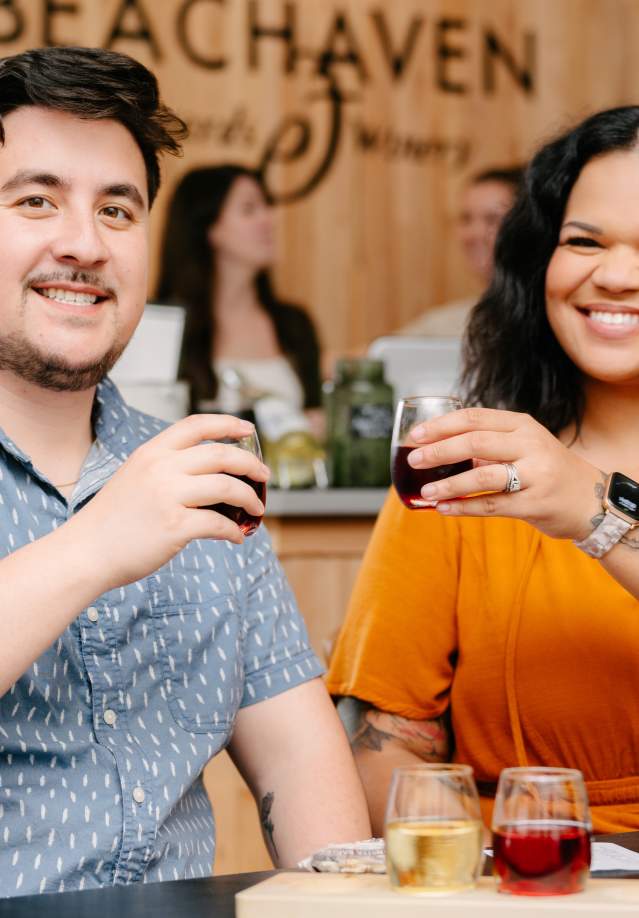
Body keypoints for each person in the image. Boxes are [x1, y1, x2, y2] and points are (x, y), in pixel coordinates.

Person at [0, 46, 370, 898]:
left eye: (117, 211)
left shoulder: (199, 474)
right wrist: (98, 543)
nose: (84, 244)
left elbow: (300, 769)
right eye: (36, 200)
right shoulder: (156, 494)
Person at [328, 106, 639, 836]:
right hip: (515, 866)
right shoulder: (461, 468)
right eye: (584, 241)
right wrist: (489, 868)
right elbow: (384, 743)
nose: (617, 275)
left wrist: (594, 512)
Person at [156, 165, 323, 431]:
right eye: (249, 209)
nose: (268, 219)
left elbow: (315, 411)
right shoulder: (166, 331)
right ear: (209, 228)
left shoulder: (293, 324)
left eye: (266, 206)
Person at [397, 167, 523, 336]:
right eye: (466, 219)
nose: (475, 233)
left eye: (493, 219)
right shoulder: (448, 323)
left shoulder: (546, 318)